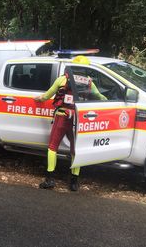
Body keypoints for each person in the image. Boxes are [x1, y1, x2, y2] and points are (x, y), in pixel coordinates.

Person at [34, 55, 107, 191]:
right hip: (78, 120)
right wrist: (109, 100)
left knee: (52, 147)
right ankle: (74, 182)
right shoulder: (90, 83)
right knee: (75, 150)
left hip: (62, 117)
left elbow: (47, 96)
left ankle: (49, 180)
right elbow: (99, 97)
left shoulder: (62, 79)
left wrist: (38, 99)